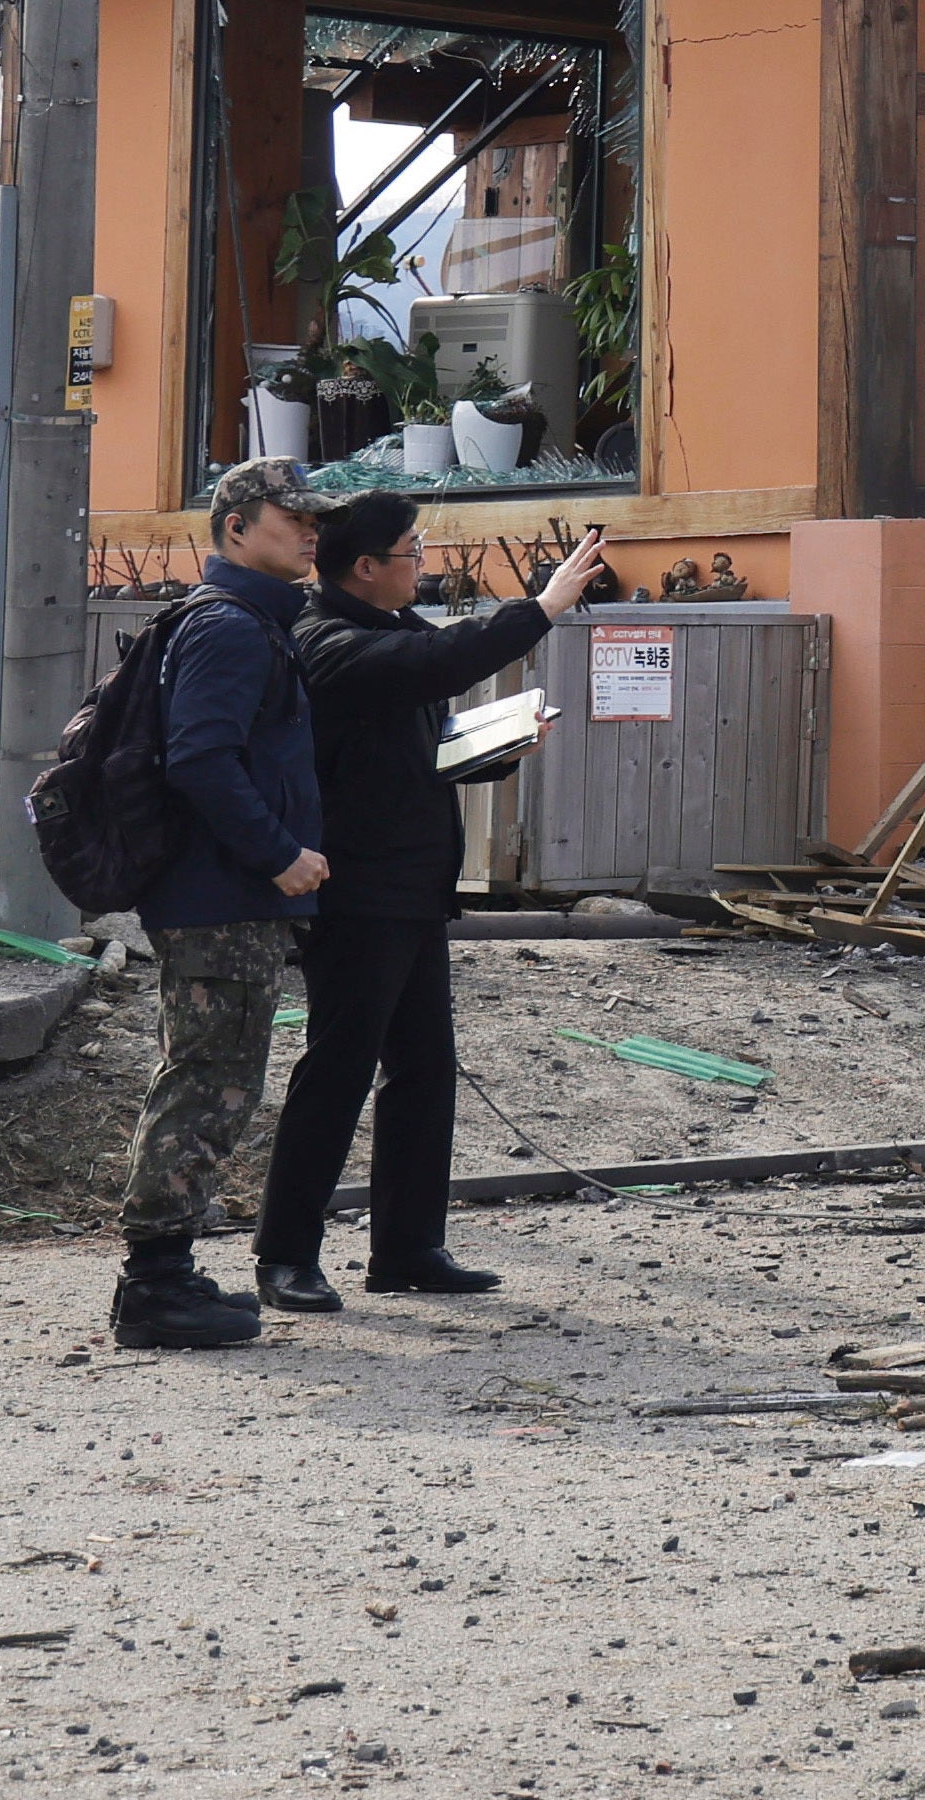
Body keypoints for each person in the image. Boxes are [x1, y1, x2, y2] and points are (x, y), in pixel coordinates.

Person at [251, 507, 607, 1311]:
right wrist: (541, 607)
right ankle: (285, 1254)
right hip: (355, 890)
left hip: (411, 886)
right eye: (411, 554)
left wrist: (491, 750)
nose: (424, 565)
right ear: (365, 567)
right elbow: (437, 662)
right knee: (337, 1070)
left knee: (423, 1070)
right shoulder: (328, 639)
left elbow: (418, 744)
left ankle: (408, 1247)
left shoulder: (387, 625)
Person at [113, 457, 333, 1351]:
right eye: (294, 517)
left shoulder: (250, 621)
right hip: (218, 896)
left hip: (220, 894)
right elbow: (200, 757)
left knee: (214, 1078)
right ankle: (157, 1286)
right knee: (209, 1083)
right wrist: (276, 854)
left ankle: (166, 1277)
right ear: (237, 525)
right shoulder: (234, 627)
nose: (312, 531)